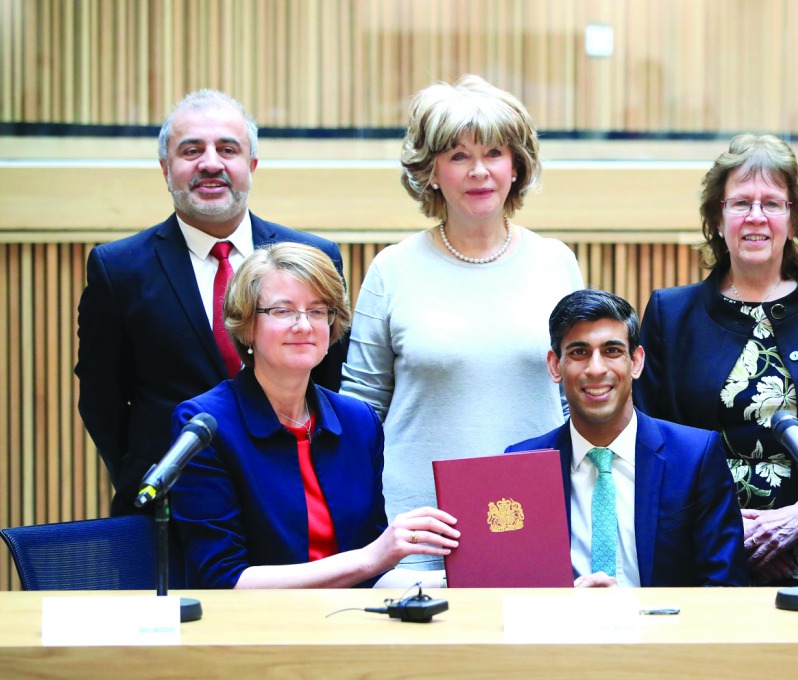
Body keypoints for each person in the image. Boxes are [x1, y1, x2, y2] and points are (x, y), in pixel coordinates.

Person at [340, 75, 583, 563]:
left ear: (516, 166)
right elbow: (361, 411)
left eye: (494, 153)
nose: (479, 172)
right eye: (458, 156)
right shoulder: (392, 268)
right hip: (418, 524)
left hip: (533, 514)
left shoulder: (557, 262)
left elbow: (572, 399)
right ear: (430, 171)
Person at [76, 89, 346, 515]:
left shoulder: (315, 256)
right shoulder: (119, 269)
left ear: (251, 166)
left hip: (294, 494)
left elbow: (330, 377)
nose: (210, 163)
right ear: (166, 169)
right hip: (173, 505)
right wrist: (139, 471)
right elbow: (100, 396)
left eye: (227, 149)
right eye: (191, 150)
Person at [634, 134, 798, 585]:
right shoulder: (671, 314)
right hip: (703, 545)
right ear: (718, 215)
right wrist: (732, 528)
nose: (756, 217)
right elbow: (651, 443)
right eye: (740, 203)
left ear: (794, 216)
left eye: (772, 203)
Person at [170, 244, 459, 589]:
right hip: (254, 630)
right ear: (247, 325)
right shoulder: (206, 423)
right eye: (283, 310)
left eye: (318, 311)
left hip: (351, 623)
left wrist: (452, 582)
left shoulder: (358, 421)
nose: (304, 325)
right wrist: (372, 558)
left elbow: (374, 574)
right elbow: (221, 579)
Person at [507, 290, 748, 588]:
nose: (596, 369)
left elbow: (725, 587)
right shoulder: (521, 466)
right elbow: (510, 588)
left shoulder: (695, 457)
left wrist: (634, 615)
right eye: (579, 352)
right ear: (555, 365)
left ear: (636, 361)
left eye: (612, 351)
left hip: (662, 632)